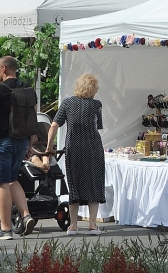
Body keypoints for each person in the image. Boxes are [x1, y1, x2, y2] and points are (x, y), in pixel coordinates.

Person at [0, 56, 38, 240]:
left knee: (2, 182)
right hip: (21, 140)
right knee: (13, 179)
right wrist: (31, 143)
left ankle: (5, 229)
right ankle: (26, 214)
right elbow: (33, 119)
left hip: (3, 140)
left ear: (4, 69)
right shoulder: (27, 88)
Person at [46, 73, 106, 236]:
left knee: (74, 184)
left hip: (73, 147)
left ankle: (72, 226)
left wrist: (49, 147)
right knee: (94, 183)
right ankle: (92, 225)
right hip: (93, 148)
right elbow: (98, 126)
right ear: (92, 88)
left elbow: (53, 126)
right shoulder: (96, 105)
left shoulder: (67, 103)